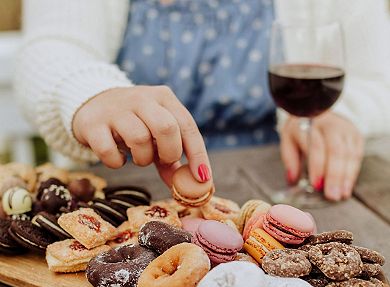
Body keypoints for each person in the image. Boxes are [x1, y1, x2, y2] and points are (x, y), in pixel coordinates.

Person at [15, 0, 390, 201]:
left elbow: (377, 76)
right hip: (128, 189)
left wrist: (342, 115)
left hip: (279, 189)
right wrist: (92, 94)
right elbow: (50, 49)